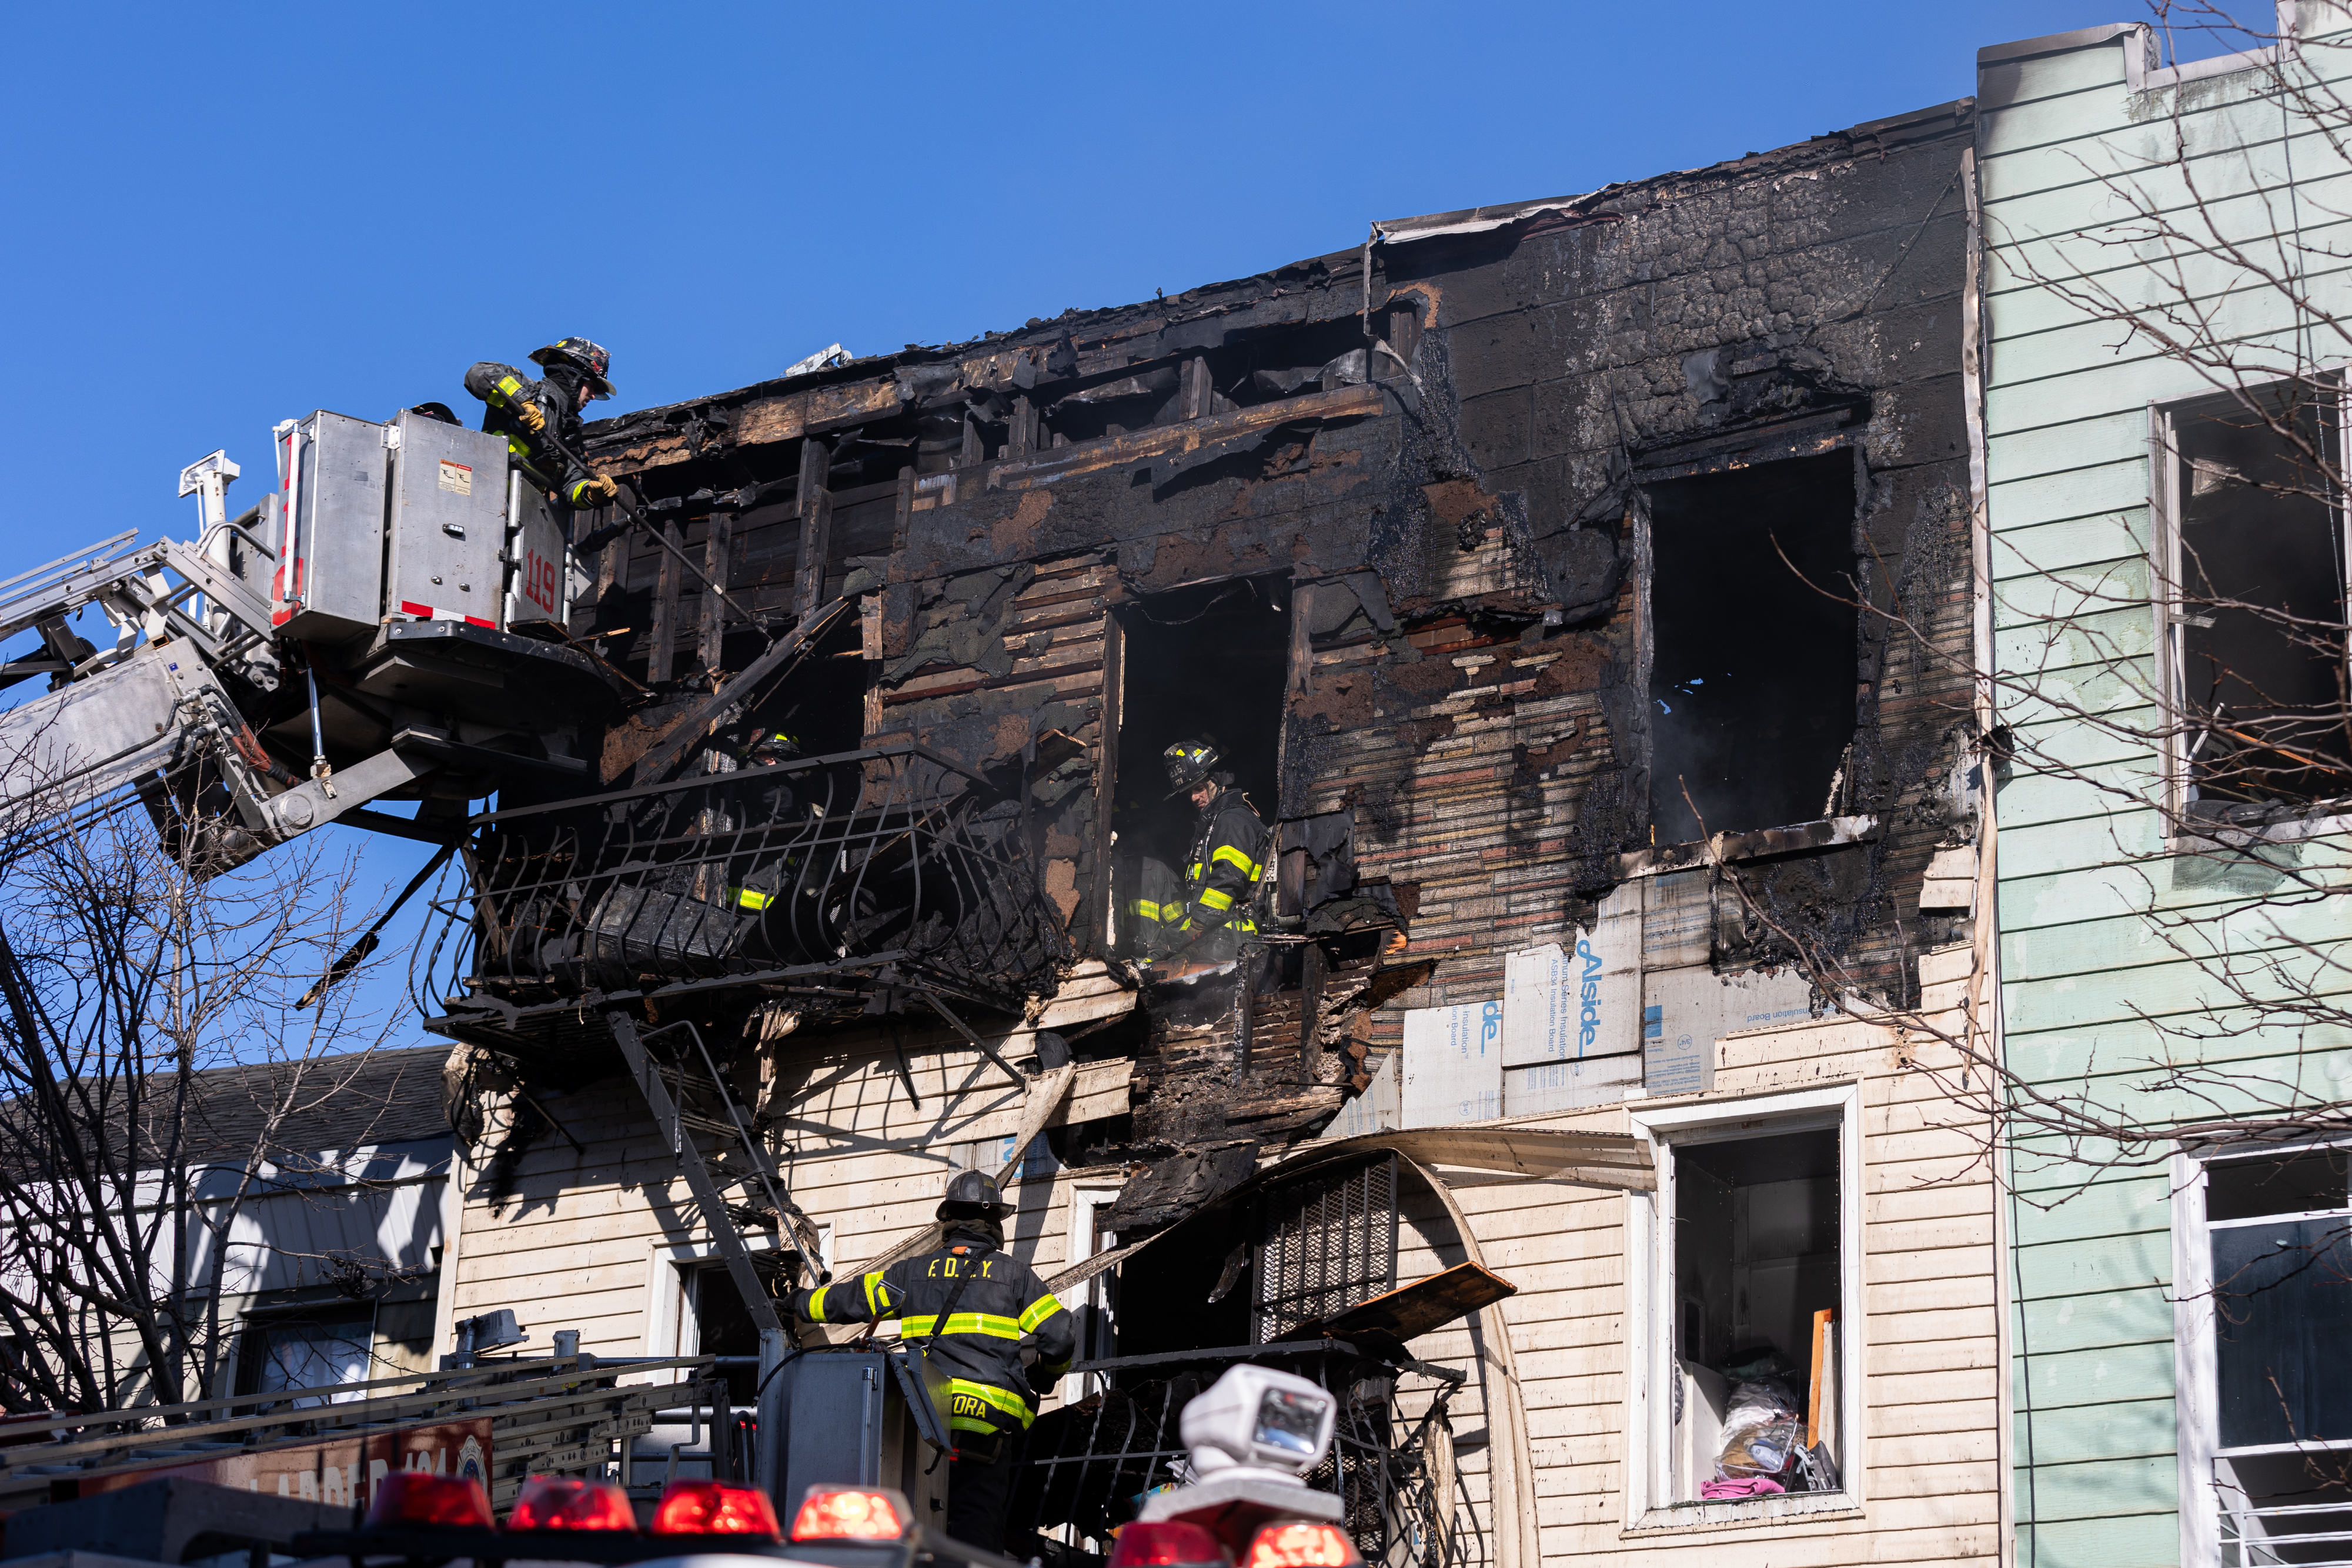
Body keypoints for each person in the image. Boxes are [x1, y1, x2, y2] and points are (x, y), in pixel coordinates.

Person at [790, 1170, 1073, 1553]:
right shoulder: (1014, 1275)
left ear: (949, 1220)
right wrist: (1046, 1375)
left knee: (914, 1533)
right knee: (976, 1535)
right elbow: (1060, 1336)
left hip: (925, 1428)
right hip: (984, 1432)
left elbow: (851, 1299)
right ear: (993, 1224)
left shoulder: (912, 1272)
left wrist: (797, 1304)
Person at [462, 338, 626, 530]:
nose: (592, 396)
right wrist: (523, 402)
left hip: (516, 516)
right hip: (482, 491)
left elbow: (571, 485)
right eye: (593, 387)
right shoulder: (528, 391)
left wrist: (589, 492)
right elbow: (477, 373)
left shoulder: (571, 436)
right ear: (575, 376)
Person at [1161, 739, 1267, 963]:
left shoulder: (1232, 821)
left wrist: (1197, 926)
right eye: (1189, 792)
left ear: (1216, 780)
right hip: (1216, 937)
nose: (1194, 798)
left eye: (1199, 788)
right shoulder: (1213, 824)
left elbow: (1227, 881)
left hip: (1232, 940)